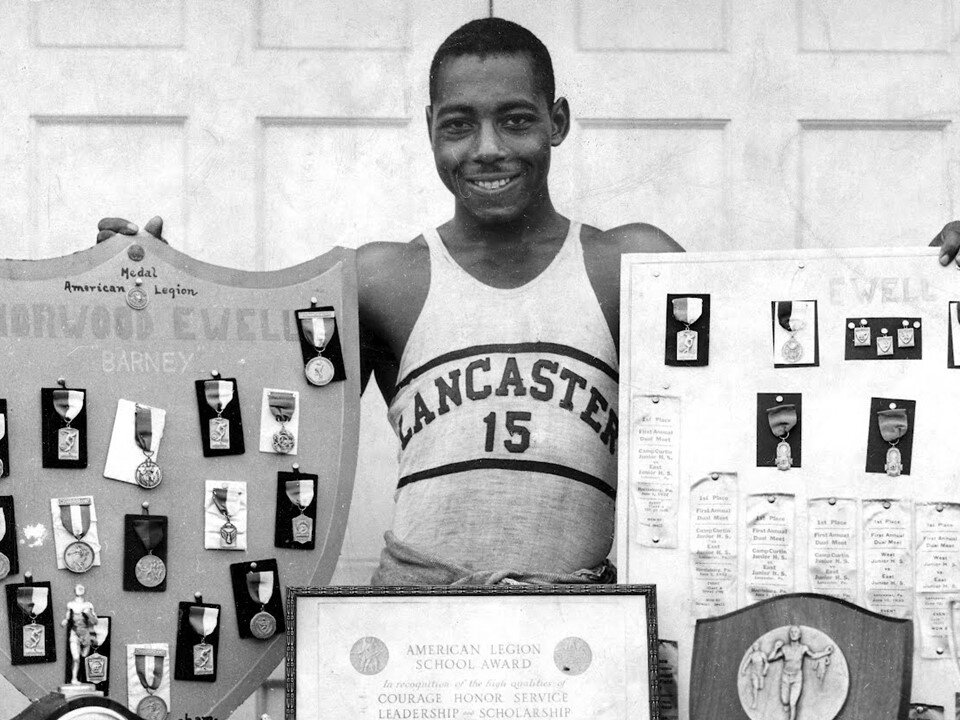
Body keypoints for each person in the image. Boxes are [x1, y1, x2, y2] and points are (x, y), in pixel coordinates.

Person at [96, 18, 960, 586]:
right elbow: (243, 419)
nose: (487, 149)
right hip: (414, 614)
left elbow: (796, 385)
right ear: (430, 128)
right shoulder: (386, 279)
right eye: (458, 124)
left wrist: (930, 290)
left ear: (559, 120)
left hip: (582, 619)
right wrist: (141, 291)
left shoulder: (631, 265)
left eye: (515, 119)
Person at [767, 626, 833, 720]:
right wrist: (775, 648)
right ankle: (785, 704)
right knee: (785, 700)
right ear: (789, 635)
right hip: (785, 677)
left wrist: (825, 653)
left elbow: (814, 655)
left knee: (793, 703)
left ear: (799, 635)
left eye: (796, 632)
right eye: (792, 632)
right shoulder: (784, 648)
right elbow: (770, 659)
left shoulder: (803, 648)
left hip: (797, 677)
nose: (793, 633)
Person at [61, 583, 98, 685]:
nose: (80, 590)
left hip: (85, 634)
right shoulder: (71, 605)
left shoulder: (88, 605)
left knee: (84, 655)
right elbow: (68, 618)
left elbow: (95, 621)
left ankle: (82, 677)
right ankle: (74, 679)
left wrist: (88, 614)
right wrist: (65, 621)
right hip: (74, 633)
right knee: (76, 658)